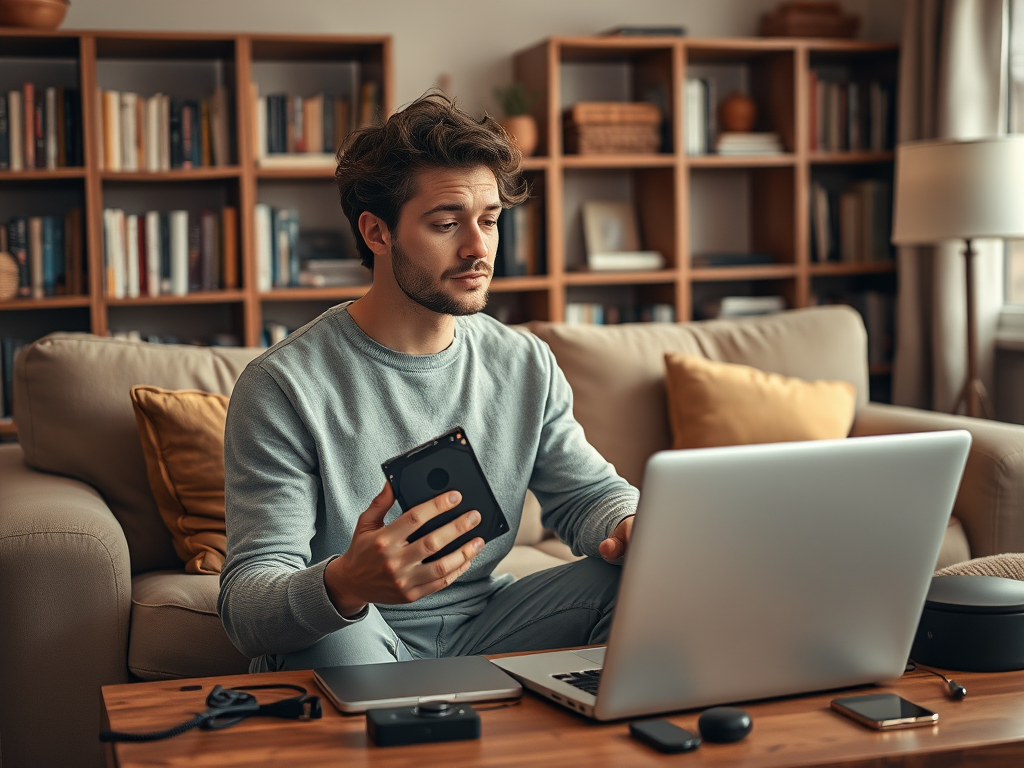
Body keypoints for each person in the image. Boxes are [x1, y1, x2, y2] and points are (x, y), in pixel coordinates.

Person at [218, 92, 639, 672]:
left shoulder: (524, 362)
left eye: (489, 221)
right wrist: (344, 582)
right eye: (446, 224)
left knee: (634, 582)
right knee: (331, 643)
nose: (478, 248)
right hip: (357, 627)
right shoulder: (283, 384)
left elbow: (589, 495)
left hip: (489, 624)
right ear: (377, 232)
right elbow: (246, 604)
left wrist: (630, 525)